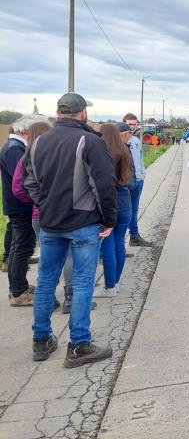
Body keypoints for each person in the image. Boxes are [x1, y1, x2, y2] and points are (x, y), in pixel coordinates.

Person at [25, 93, 116, 366]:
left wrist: (46, 203)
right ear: (83, 113)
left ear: (58, 112)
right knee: (82, 283)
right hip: (83, 223)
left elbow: (29, 181)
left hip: (50, 223)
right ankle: (78, 344)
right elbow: (103, 185)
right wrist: (109, 220)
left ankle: (41, 340)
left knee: (44, 282)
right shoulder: (89, 140)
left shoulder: (39, 141)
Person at [2, 115, 46, 306]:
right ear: (25, 131)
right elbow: (21, 182)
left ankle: (19, 286)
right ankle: (18, 291)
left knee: (18, 247)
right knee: (22, 248)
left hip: (19, 205)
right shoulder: (16, 149)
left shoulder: (14, 146)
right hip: (21, 206)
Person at [96, 123, 136, 298]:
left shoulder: (103, 154)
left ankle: (109, 286)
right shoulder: (125, 152)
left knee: (108, 246)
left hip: (108, 205)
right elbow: (131, 180)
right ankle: (115, 283)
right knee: (119, 243)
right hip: (124, 201)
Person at [123, 114, 153, 248]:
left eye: (134, 124)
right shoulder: (120, 141)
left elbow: (140, 159)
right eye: (129, 124)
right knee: (124, 212)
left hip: (138, 180)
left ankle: (134, 236)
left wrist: (142, 174)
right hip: (126, 181)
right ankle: (117, 244)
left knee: (134, 210)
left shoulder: (135, 140)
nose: (132, 126)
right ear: (124, 123)